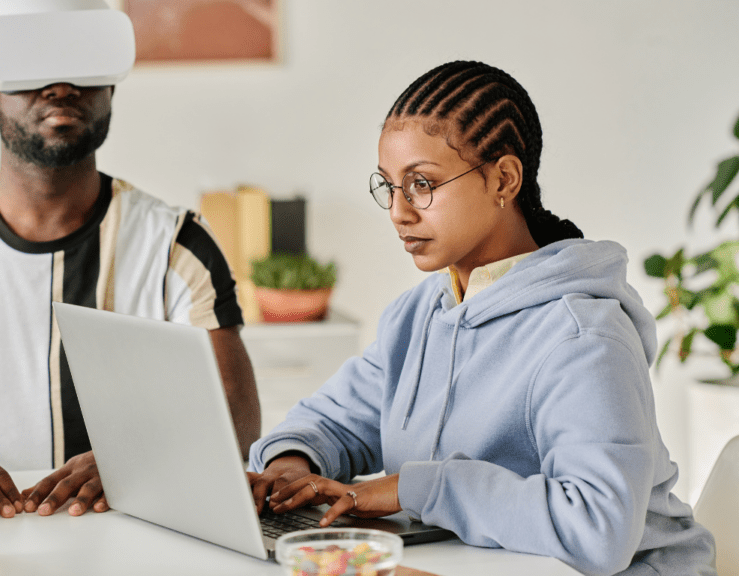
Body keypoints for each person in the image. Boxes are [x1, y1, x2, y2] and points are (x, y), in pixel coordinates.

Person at [247, 61, 717, 576]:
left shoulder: (583, 337)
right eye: (389, 186)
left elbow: (597, 527)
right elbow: (340, 418)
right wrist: (292, 465)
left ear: (504, 179)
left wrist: (415, 488)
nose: (399, 212)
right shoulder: (421, 313)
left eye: (422, 183)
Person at [0, 0, 260, 522]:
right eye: (29, 64)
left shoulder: (177, 245)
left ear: (111, 92)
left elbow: (238, 420)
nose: (60, 86)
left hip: (137, 527)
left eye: (83, 63)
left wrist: (134, 459)